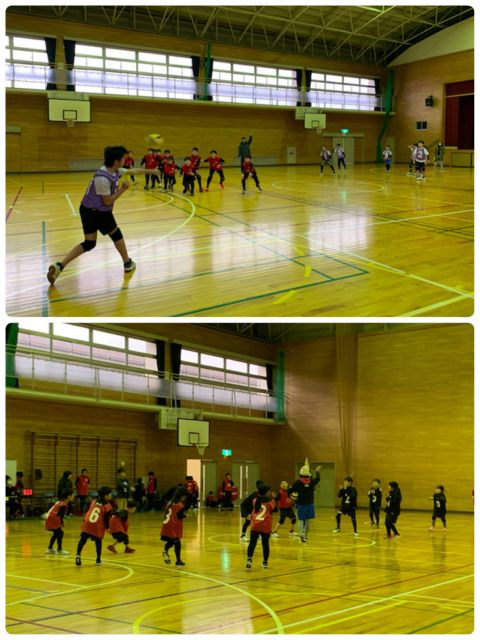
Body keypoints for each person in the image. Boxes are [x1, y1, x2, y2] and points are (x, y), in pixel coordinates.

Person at [47, 146, 161, 285]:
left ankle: (60, 266)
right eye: (123, 158)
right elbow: (107, 201)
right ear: (116, 161)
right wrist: (122, 189)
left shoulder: (114, 171)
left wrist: (152, 171)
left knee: (89, 243)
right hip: (98, 212)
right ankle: (127, 263)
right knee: (116, 234)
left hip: (87, 209)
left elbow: (133, 171)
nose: (125, 160)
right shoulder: (102, 179)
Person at [75, 485, 113, 566]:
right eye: (110, 494)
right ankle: (98, 560)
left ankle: (78, 555)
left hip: (87, 523)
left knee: (82, 540)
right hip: (96, 526)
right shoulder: (108, 506)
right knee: (98, 541)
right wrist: (108, 528)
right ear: (106, 495)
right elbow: (106, 519)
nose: (111, 495)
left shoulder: (94, 502)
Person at [288, 459, 321, 542]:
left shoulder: (297, 483)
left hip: (301, 504)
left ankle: (301, 534)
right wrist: (317, 471)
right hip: (310, 504)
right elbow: (318, 479)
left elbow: (289, 491)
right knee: (307, 521)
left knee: (300, 520)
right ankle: (306, 536)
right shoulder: (311, 481)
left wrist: (292, 498)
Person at [246, 484, 277, 569]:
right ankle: (265, 562)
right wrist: (274, 498)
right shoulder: (270, 501)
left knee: (252, 543)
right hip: (265, 526)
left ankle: (249, 560)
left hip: (255, 525)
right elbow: (275, 510)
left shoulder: (255, 500)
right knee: (265, 544)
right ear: (267, 492)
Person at [161, 487, 188, 566]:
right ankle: (178, 560)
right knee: (177, 543)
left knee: (171, 541)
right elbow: (179, 516)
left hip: (166, 525)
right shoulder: (180, 505)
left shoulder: (170, 503)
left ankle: (165, 551)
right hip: (173, 526)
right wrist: (185, 516)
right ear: (182, 496)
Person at [44, 490, 72, 555]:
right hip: (53, 520)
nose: (73, 496)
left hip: (51, 519)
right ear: (68, 496)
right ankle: (59, 550)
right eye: (72, 495)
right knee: (60, 533)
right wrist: (61, 523)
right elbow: (60, 515)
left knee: (57, 534)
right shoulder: (63, 505)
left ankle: (50, 549)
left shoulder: (60, 502)